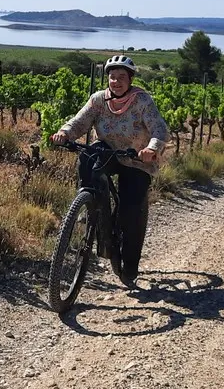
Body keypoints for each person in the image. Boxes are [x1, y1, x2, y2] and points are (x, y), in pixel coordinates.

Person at [51, 55, 168, 287]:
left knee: (131, 211)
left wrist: (151, 149)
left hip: (136, 159)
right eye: (112, 77)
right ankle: (90, 201)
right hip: (108, 152)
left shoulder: (142, 100)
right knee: (88, 154)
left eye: (121, 77)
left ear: (130, 79)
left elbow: (159, 129)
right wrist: (64, 133)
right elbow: (79, 122)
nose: (116, 81)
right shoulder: (98, 100)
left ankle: (130, 266)